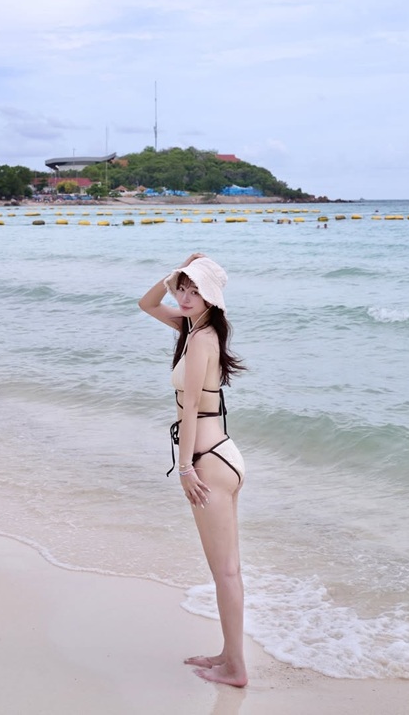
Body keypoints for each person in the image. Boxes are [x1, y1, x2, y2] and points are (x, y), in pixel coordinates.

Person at [138, 253, 248, 687]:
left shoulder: (201, 339)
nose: (184, 297)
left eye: (194, 290)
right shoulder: (193, 328)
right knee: (228, 570)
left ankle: (236, 668)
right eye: (182, 288)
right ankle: (229, 655)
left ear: (211, 297)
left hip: (208, 462)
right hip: (223, 456)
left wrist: (185, 468)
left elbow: (188, 414)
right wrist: (178, 270)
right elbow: (146, 304)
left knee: (225, 572)